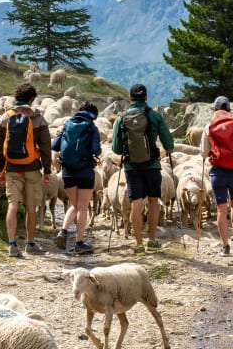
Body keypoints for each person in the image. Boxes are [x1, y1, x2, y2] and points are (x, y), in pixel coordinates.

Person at [111, 83, 174, 254]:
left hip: (132, 167)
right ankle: (152, 240)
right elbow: (168, 144)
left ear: (130, 98)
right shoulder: (154, 116)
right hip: (152, 165)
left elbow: (116, 149)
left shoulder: (121, 118)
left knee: (136, 205)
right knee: (153, 202)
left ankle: (138, 244)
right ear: (146, 98)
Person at [0, 82, 52, 258]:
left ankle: (12, 244)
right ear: (32, 99)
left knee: (13, 204)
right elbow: (45, 147)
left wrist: (0, 169)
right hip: (32, 168)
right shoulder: (38, 119)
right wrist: (48, 170)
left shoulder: (5, 118)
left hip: (11, 168)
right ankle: (30, 243)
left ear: (16, 98)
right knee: (31, 207)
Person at [200, 96, 233, 256]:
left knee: (221, 209)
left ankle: (224, 246)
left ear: (215, 110)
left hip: (218, 172)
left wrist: (212, 154)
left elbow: (202, 152)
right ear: (228, 109)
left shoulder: (209, 127)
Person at [52, 101, 101, 255]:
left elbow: (55, 146)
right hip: (85, 172)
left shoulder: (67, 124)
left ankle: (63, 231)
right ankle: (79, 242)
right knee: (83, 208)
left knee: (73, 206)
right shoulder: (92, 128)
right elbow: (96, 150)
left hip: (67, 172)